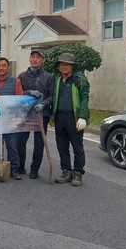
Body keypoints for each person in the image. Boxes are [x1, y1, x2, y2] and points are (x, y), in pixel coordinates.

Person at [52, 53, 90, 187]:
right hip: (60, 117)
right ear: (58, 66)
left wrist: (83, 117)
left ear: (73, 66)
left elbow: (85, 98)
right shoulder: (57, 79)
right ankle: (66, 171)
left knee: (77, 147)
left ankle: (78, 172)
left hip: (74, 118)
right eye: (62, 64)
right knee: (62, 146)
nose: (64, 67)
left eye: (67, 64)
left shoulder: (80, 80)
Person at [16, 49, 54, 179]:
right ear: (29, 59)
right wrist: (29, 92)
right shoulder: (22, 76)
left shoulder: (49, 77)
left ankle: (34, 169)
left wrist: (44, 104)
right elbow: (18, 92)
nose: (35, 59)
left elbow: (52, 95)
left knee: (39, 142)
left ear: (43, 60)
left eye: (39, 57)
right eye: (33, 57)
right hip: (25, 113)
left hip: (41, 114)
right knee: (20, 141)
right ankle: (20, 166)